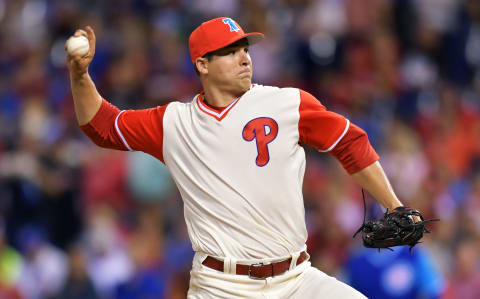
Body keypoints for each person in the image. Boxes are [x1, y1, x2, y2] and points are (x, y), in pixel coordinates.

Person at [66, 17, 413, 298]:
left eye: (245, 49)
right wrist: (80, 76)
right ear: (203, 64)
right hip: (222, 286)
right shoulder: (173, 122)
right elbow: (101, 125)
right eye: (231, 52)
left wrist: (395, 206)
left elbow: (350, 143)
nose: (245, 58)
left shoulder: (287, 102)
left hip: (296, 279)